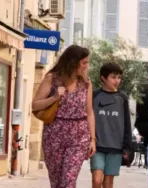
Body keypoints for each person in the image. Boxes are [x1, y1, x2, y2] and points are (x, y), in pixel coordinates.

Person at [32, 45, 96, 188]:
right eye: (84, 62)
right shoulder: (52, 79)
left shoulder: (86, 83)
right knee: (56, 182)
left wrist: (92, 139)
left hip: (79, 137)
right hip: (54, 135)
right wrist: (54, 97)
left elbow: (90, 112)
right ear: (73, 62)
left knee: (68, 180)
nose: (87, 66)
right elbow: (35, 105)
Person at [90, 62, 133, 188]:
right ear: (103, 77)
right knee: (97, 180)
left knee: (108, 183)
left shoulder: (122, 97)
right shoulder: (95, 95)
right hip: (97, 146)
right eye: (113, 77)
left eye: (119, 77)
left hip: (116, 147)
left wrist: (127, 147)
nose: (117, 81)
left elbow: (126, 124)